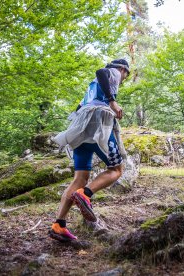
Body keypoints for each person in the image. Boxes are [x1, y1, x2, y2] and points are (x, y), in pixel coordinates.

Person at [49, 59, 130, 241]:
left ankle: (58, 225)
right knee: (116, 170)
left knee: (80, 178)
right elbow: (101, 71)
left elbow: (78, 108)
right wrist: (112, 102)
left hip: (80, 127)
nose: (123, 78)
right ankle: (85, 194)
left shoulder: (90, 88)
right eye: (126, 75)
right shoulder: (113, 73)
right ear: (123, 69)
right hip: (98, 123)